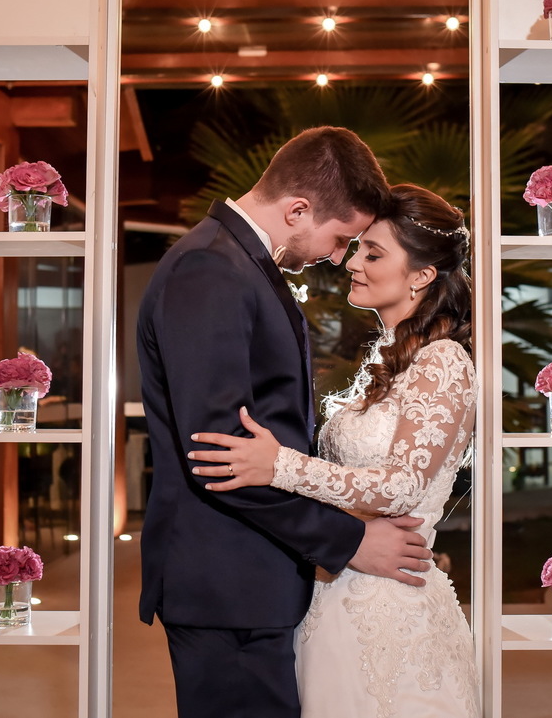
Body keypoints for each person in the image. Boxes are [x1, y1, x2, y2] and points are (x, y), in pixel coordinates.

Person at [136, 127, 435, 718]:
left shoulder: (235, 262)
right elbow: (219, 457)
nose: (337, 255)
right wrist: (349, 543)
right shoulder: (210, 269)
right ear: (298, 209)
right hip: (228, 580)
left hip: (252, 576)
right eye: (340, 237)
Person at [189, 183, 480, 717]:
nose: (352, 262)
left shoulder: (443, 362)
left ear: (421, 275)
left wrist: (278, 465)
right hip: (335, 586)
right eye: (355, 247)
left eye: (373, 252)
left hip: (391, 601)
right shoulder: (389, 360)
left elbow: (400, 487)